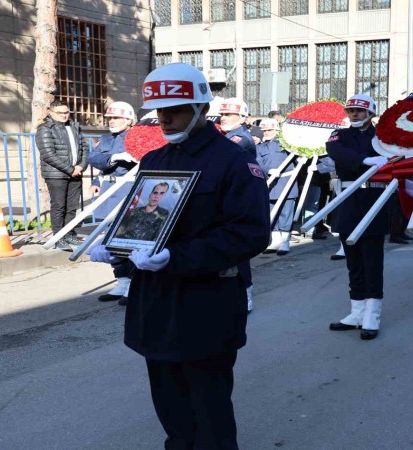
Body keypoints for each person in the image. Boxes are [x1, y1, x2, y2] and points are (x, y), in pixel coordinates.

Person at [89, 62, 270, 449]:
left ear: (202, 108)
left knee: (209, 409)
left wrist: (177, 257)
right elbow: (143, 221)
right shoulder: (155, 160)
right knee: (170, 406)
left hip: (206, 302)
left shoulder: (234, 161)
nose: (165, 119)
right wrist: (117, 249)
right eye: (160, 112)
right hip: (156, 301)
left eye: (176, 110)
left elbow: (250, 233)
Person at [326, 94, 389, 340]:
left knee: (372, 261)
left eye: (359, 111)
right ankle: (357, 312)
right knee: (353, 260)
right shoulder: (339, 135)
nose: (354, 114)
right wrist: (365, 160)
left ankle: (372, 316)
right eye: (350, 110)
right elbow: (335, 151)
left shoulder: (383, 136)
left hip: (374, 199)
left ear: (370, 113)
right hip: (348, 199)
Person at [88, 101, 138, 304]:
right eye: (110, 118)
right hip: (109, 189)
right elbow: (94, 159)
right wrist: (116, 157)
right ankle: (122, 282)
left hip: (128, 188)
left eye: (116, 118)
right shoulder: (106, 139)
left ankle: (134, 283)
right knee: (111, 238)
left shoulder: (137, 136)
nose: (112, 121)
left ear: (129, 119)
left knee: (128, 239)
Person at [218, 97, 258, 311]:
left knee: (238, 249)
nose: (223, 118)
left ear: (242, 118)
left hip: (238, 200)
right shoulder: (225, 136)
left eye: (229, 114)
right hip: (224, 198)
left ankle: (246, 292)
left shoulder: (241, 138)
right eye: (222, 114)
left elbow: (219, 154)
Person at [36, 99, 89, 250]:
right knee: (59, 206)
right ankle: (58, 238)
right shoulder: (45, 129)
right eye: (60, 113)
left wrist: (81, 166)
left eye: (66, 112)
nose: (64, 115)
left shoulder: (74, 126)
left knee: (72, 207)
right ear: (50, 112)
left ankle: (69, 235)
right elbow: (48, 154)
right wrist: (70, 169)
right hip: (56, 175)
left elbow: (84, 148)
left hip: (76, 173)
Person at [257, 118, 297, 256]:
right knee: (271, 212)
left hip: (286, 182)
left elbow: (297, 158)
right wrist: (268, 170)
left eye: (270, 130)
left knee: (286, 213)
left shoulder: (286, 144)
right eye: (264, 130)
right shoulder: (260, 147)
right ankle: (275, 241)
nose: (266, 132)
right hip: (269, 183)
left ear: (276, 130)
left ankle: (285, 241)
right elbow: (258, 162)